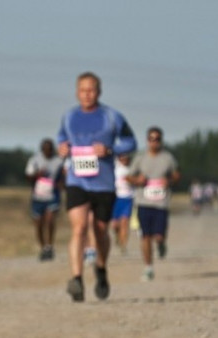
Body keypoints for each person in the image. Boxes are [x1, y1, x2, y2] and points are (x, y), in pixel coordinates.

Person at [57, 71, 137, 302]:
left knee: (100, 231)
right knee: (79, 228)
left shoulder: (112, 116)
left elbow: (131, 141)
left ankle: (101, 269)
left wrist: (111, 150)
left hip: (103, 183)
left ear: (99, 92)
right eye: (82, 90)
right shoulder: (69, 117)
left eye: (91, 90)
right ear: (76, 92)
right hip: (77, 181)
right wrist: (62, 148)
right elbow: (61, 139)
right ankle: (77, 279)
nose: (87, 94)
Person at [126, 127, 180, 282]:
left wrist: (169, 181)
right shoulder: (140, 158)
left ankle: (161, 244)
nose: (154, 142)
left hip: (161, 203)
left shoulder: (168, 158)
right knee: (145, 237)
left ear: (161, 140)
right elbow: (128, 176)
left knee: (158, 236)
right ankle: (148, 267)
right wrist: (137, 180)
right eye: (151, 139)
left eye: (157, 139)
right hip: (143, 201)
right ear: (147, 140)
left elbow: (177, 174)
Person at [24, 138, 64, 261]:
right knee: (39, 224)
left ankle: (50, 246)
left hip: (52, 196)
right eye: (46, 149)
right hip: (38, 197)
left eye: (50, 149)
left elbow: (64, 176)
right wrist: (37, 174)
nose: (48, 151)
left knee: (50, 220)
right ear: (42, 149)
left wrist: (61, 184)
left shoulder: (58, 161)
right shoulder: (34, 160)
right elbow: (28, 176)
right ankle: (43, 248)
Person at [111, 153, 135, 253]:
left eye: (126, 157)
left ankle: (123, 245)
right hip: (115, 198)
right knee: (115, 225)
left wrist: (131, 180)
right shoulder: (115, 166)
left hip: (128, 198)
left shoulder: (133, 168)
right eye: (122, 157)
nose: (124, 159)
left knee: (125, 222)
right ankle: (117, 236)